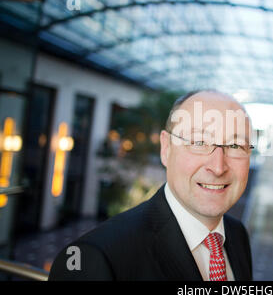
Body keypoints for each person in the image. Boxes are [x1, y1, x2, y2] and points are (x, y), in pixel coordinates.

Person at [48, 90, 253, 281]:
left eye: (235, 145)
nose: (218, 167)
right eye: (199, 143)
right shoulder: (95, 259)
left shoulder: (237, 235)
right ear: (166, 148)